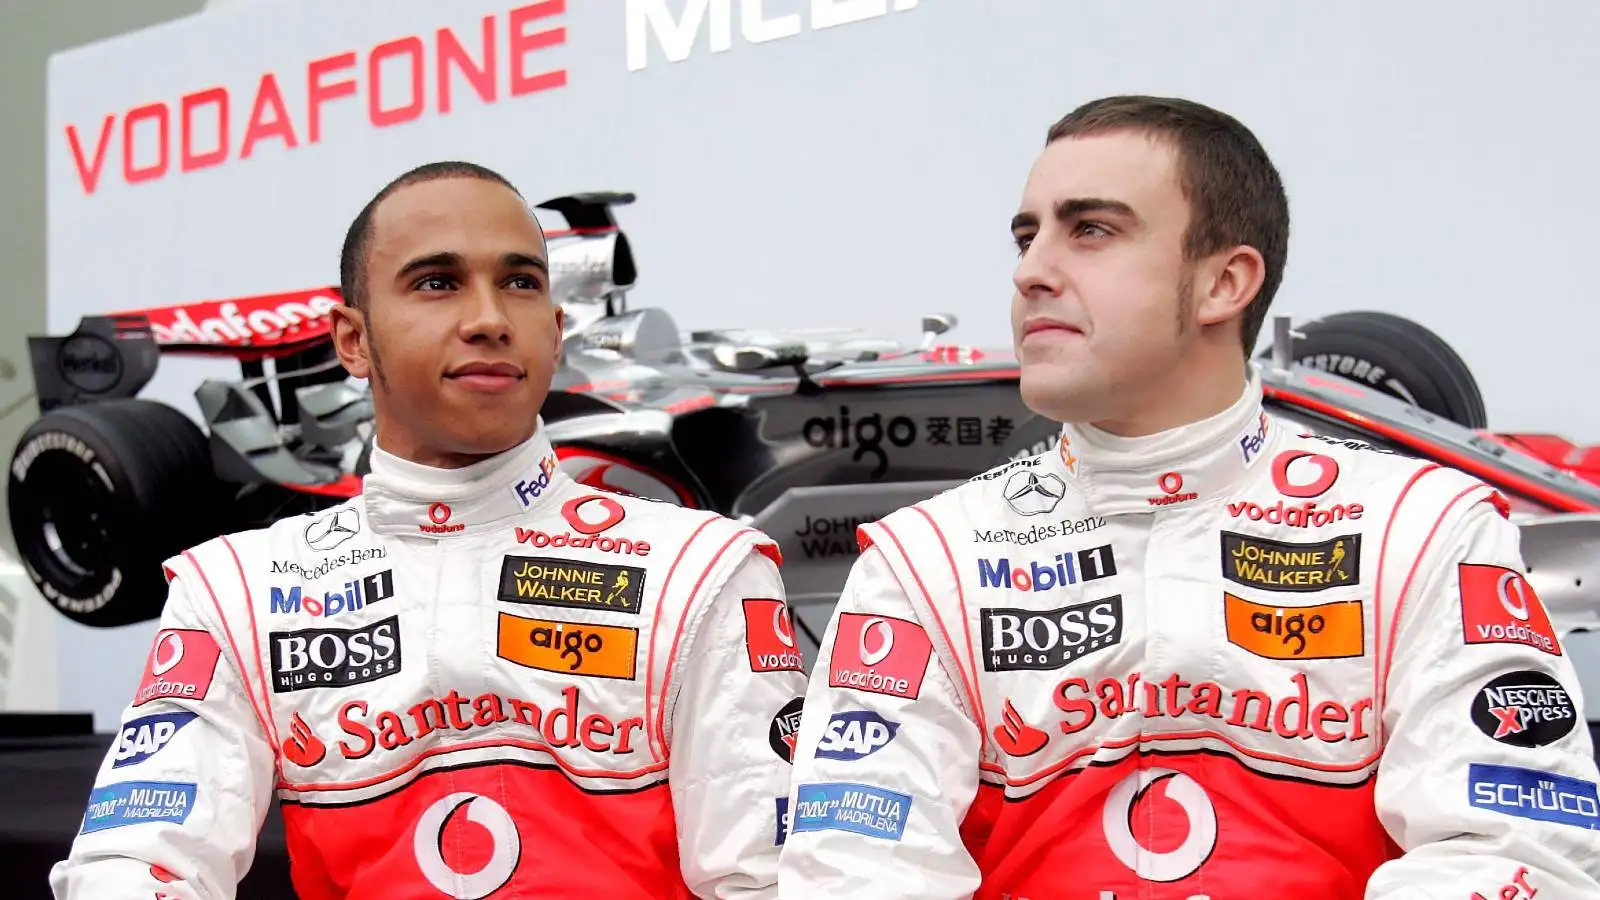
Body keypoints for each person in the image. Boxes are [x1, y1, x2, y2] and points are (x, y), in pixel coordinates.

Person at [777, 96, 1600, 898]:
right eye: (1027, 238)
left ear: (1224, 283)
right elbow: (855, 870)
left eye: (1091, 230)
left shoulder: (1420, 531)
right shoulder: (927, 561)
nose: (1031, 272)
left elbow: (1511, 849)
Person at [51, 162, 806, 899]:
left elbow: (771, 876)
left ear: (554, 329)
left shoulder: (701, 572)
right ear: (352, 340)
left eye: (519, 282)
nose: (488, 319)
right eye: (437, 283)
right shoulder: (237, 593)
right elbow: (134, 863)